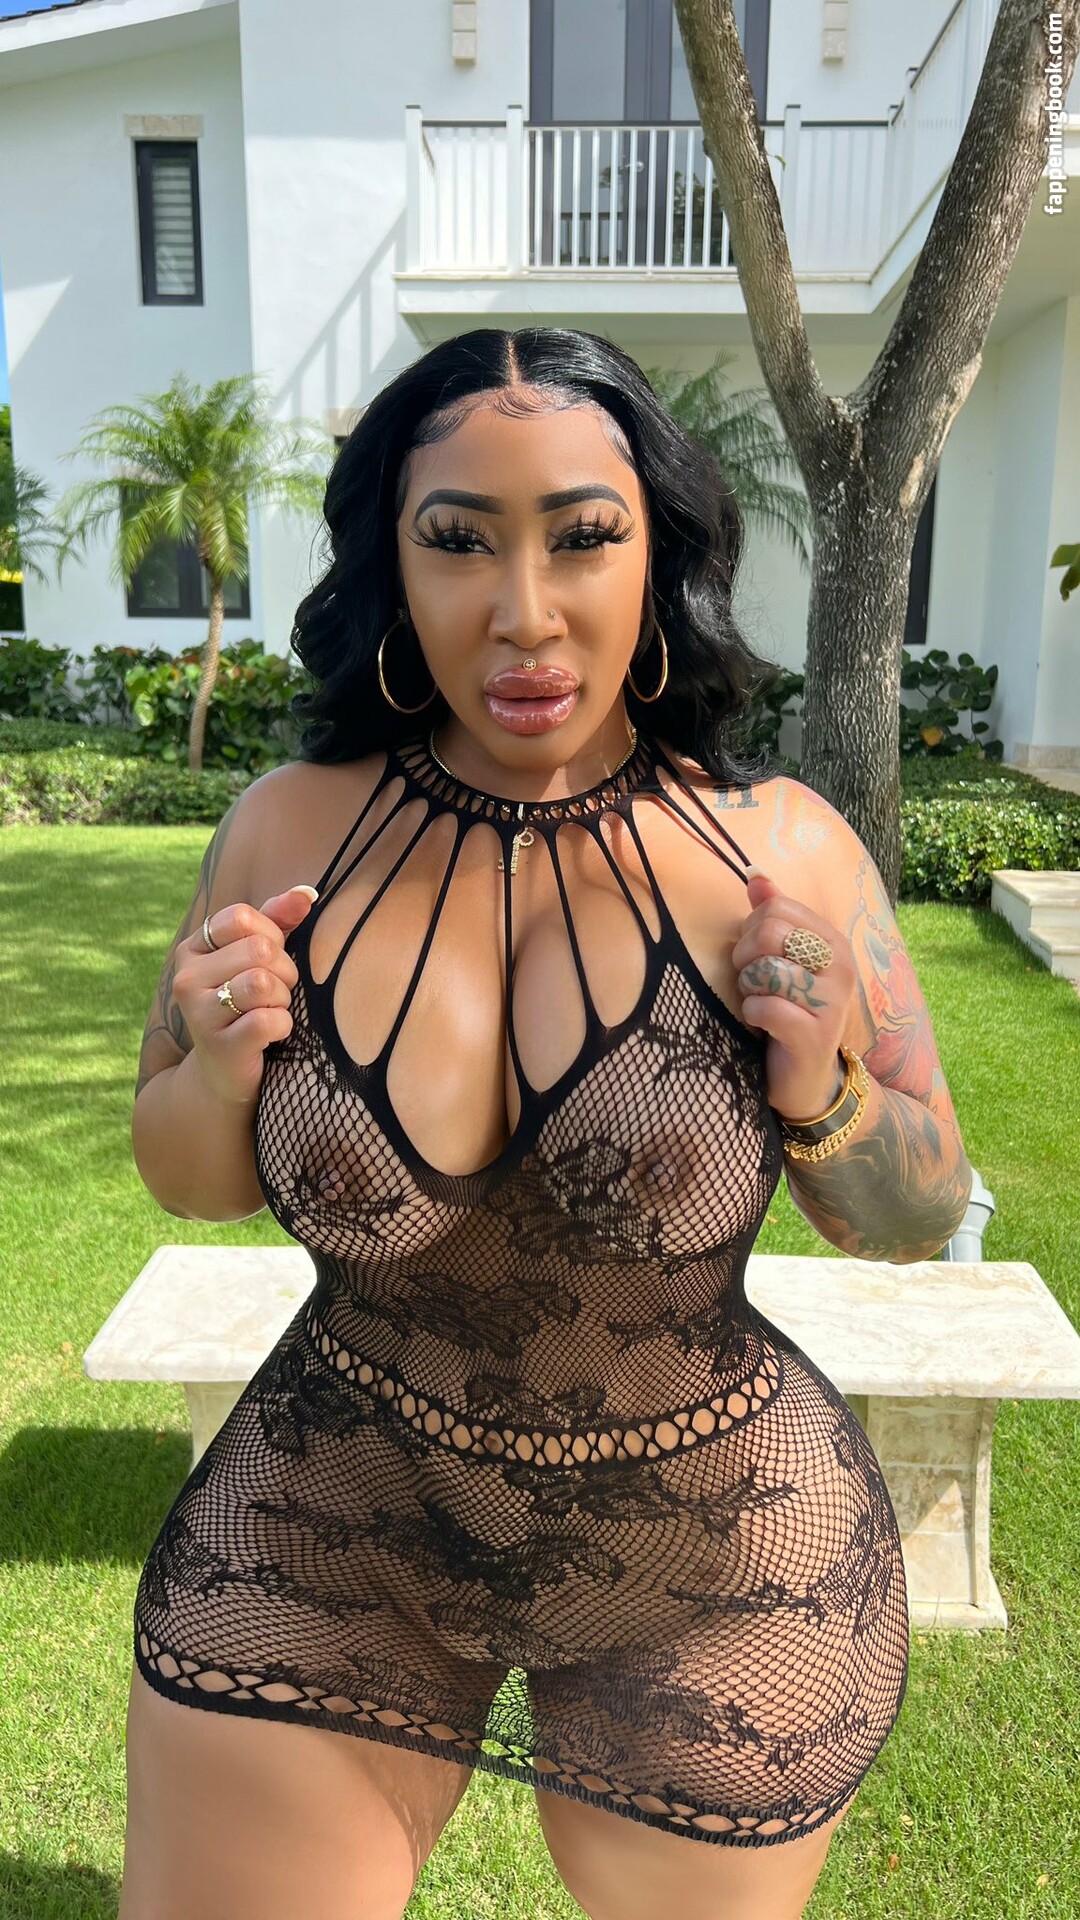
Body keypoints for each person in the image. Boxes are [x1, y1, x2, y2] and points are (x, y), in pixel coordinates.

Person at [120, 326, 973, 1920]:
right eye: (460, 542)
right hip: (334, 1514)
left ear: (662, 557)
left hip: (716, 1556)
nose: (523, 612)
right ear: (393, 563)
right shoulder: (289, 833)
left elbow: (921, 1212)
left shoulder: (780, 852)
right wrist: (218, 1069)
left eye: (583, 537)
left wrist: (827, 1085)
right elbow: (186, 1177)